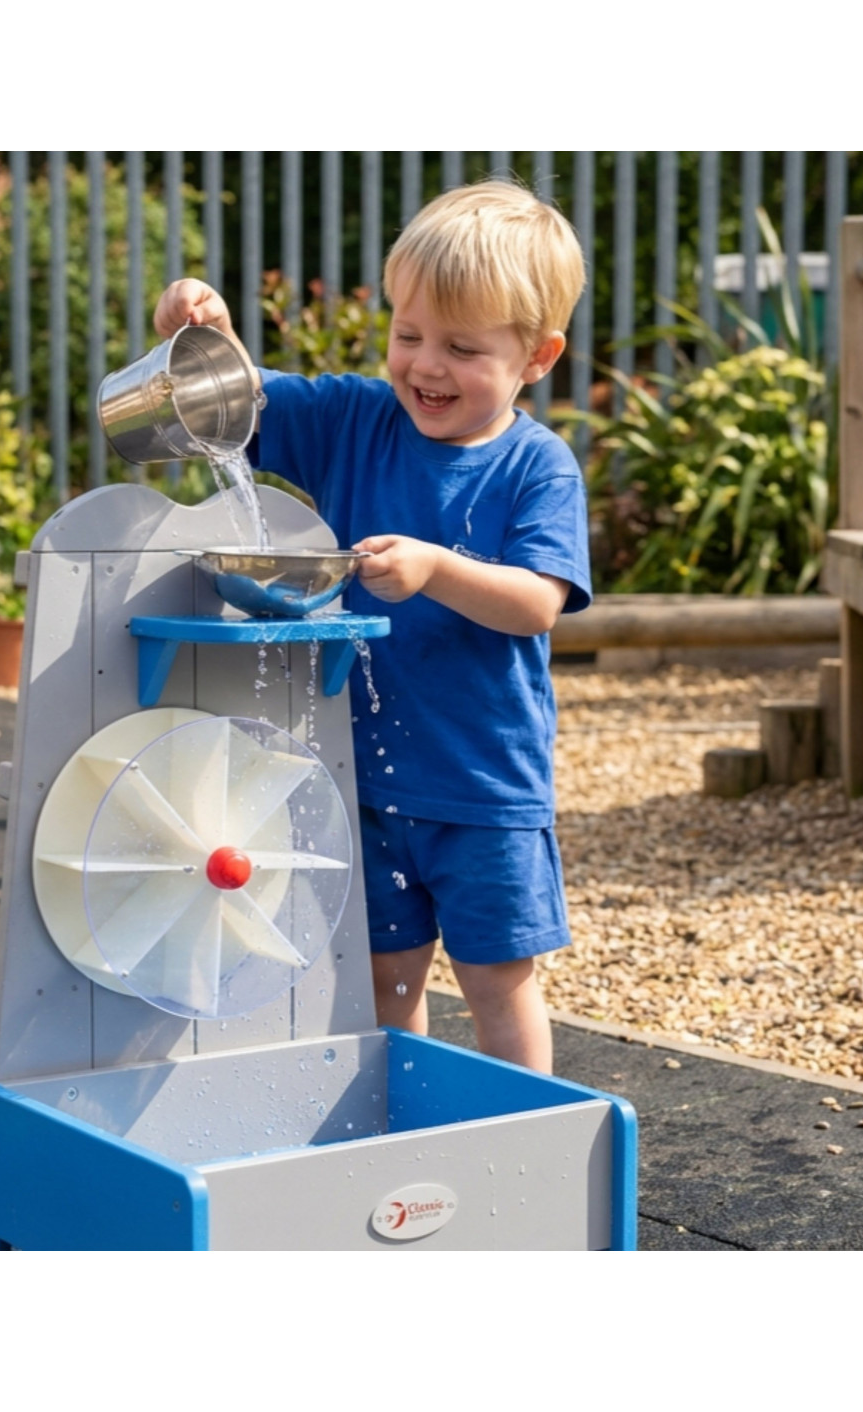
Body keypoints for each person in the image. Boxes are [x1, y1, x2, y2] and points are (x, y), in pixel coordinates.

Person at [153, 180, 590, 1074]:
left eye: (462, 348)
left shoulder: (536, 467)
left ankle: (525, 1130)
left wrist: (438, 568)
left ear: (538, 357)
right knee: (384, 979)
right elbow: (237, 405)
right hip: (360, 777)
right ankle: (399, 1122)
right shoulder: (355, 420)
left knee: (496, 980)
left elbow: (537, 602)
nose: (426, 365)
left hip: (483, 788)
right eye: (409, 335)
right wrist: (206, 333)